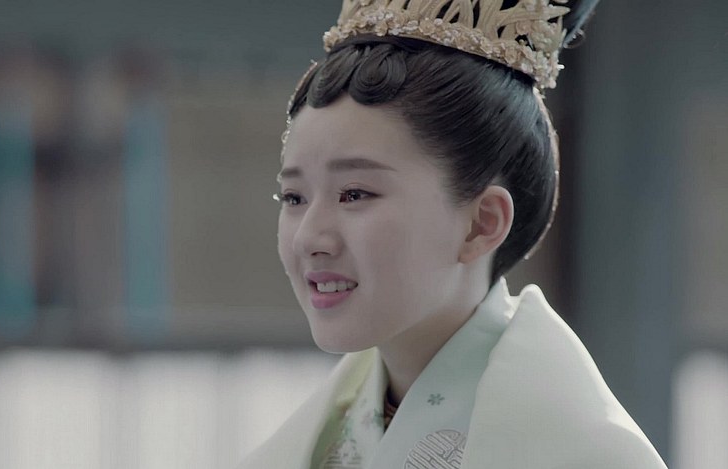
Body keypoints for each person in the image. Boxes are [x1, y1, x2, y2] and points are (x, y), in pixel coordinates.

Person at [239, 1, 668, 467]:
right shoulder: (312, 443)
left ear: (482, 223)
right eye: (294, 198)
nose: (309, 238)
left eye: (355, 194)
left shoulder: (583, 454)